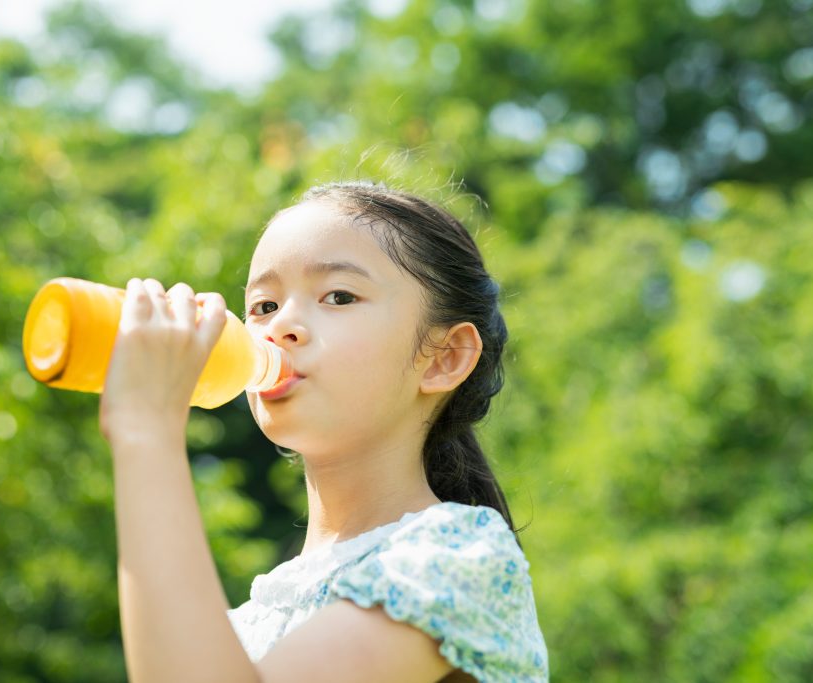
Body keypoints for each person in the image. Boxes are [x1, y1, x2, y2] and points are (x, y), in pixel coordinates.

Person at [98, 181, 549, 683]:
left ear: (445, 357)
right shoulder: (242, 628)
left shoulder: (459, 561)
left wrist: (148, 429)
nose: (280, 327)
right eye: (264, 306)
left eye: (338, 296)